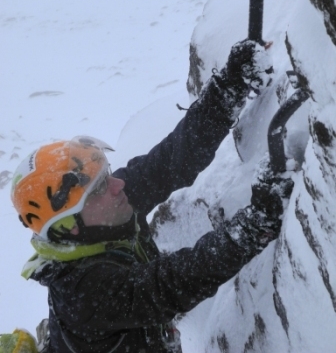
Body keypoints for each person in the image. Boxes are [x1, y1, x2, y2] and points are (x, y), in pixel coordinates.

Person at [11, 40, 294, 353]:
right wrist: (251, 228)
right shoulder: (87, 293)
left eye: (106, 177)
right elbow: (171, 283)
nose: (118, 185)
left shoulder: (108, 209)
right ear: (72, 227)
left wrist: (227, 89)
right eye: (100, 189)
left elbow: (172, 161)